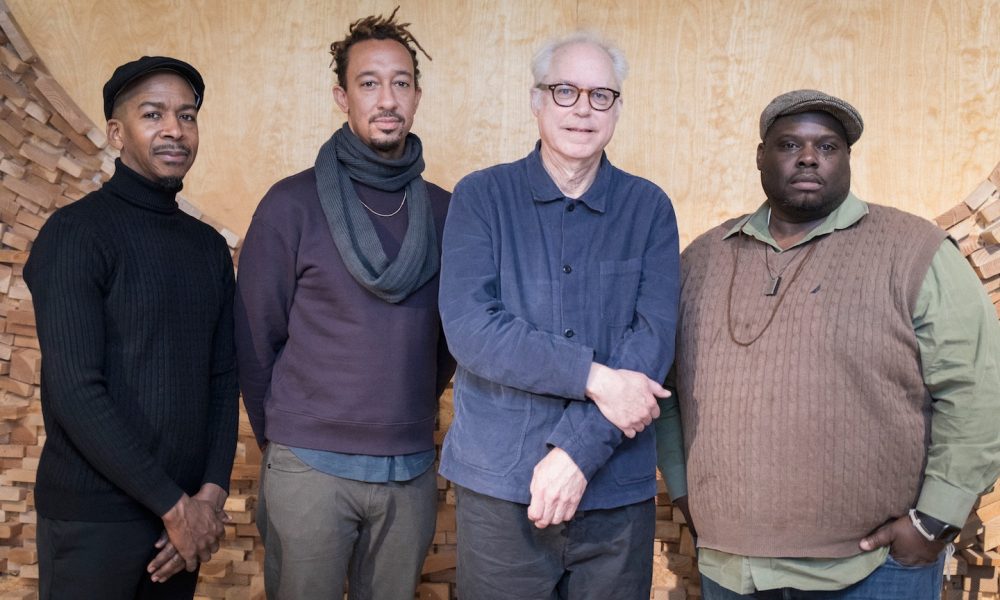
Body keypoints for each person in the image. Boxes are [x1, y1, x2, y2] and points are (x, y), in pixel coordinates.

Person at [655, 89, 1000, 599]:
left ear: (847, 159)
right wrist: (684, 493)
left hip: (874, 571)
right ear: (760, 157)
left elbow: (976, 389)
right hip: (731, 570)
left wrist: (933, 522)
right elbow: (666, 393)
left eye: (829, 146)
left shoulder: (914, 251)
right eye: (789, 144)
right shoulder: (702, 259)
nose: (810, 156)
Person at [438, 31, 682, 600]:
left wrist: (578, 452)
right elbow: (473, 330)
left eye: (601, 95)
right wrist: (594, 377)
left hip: (616, 493)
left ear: (618, 108)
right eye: (565, 90)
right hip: (502, 488)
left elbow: (652, 344)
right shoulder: (480, 197)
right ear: (536, 100)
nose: (582, 109)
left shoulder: (649, 208)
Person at [234, 9, 454, 600]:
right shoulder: (290, 205)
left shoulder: (446, 212)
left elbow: (447, 343)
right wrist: (288, 439)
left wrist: (401, 412)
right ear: (342, 96)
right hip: (308, 470)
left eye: (401, 82)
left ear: (418, 95)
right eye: (369, 82)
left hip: (408, 468)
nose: (387, 98)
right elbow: (255, 341)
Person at [24, 56, 237, 599]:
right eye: (153, 114)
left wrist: (208, 500)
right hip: (96, 521)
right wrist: (173, 505)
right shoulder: (75, 233)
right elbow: (75, 390)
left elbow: (222, 377)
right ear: (117, 133)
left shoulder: (208, 248)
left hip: (183, 521)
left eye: (187, 116)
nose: (174, 129)